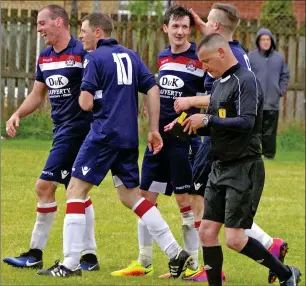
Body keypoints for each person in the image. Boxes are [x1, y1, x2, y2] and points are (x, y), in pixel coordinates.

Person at [36, 11, 191, 278]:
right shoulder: (130, 56)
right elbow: (153, 89)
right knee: (131, 197)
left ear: (98, 32)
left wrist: (95, 100)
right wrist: (153, 129)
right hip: (128, 138)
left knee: (74, 191)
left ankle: (70, 264)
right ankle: (176, 252)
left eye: (84, 30)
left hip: (103, 135)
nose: (81, 35)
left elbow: (85, 103)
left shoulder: (94, 58)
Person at [172, 4, 288, 283]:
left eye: (206, 63)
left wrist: (205, 119)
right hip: (220, 164)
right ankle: (218, 272)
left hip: (241, 165)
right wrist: (189, 124)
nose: (204, 68)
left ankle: (281, 265)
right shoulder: (220, 79)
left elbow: (245, 123)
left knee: (233, 237)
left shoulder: (243, 76)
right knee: (208, 230)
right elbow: (218, 116)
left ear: (221, 49)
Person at [111, 6, 214, 281]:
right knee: (145, 199)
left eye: (184, 27)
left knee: (186, 202)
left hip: (184, 141)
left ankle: (193, 264)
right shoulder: (163, 56)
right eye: (175, 26)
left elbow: (213, 98)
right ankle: (144, 261)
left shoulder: (200, 57)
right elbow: (159, 89)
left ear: (189, 30)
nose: (180, 32)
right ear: (165, 28)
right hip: (158, 139)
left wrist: (191, 110)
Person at [4, 5, 99, 271]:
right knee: (76, 192)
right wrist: (17, 114)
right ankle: (89, 258)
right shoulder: (45, 57)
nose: (39, 29)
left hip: (78, 131)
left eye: (42, 23)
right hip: (61, 132)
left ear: (58, 22)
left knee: (44, 187)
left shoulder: (82, 53)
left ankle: (34, 253)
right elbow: (38, 93)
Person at [249, 28, 290, 160]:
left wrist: (281, 90)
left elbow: (285, 75)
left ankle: (269, 155)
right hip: (255, 102)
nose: (265, 42)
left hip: (272, 101)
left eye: (268, 39)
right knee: (255, 131)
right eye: (263, 39)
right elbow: (246, 75)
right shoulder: (251, 57)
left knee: (270, 131)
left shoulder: (278, 58)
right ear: (258, 41)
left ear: (271, 41)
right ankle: (254, 154)